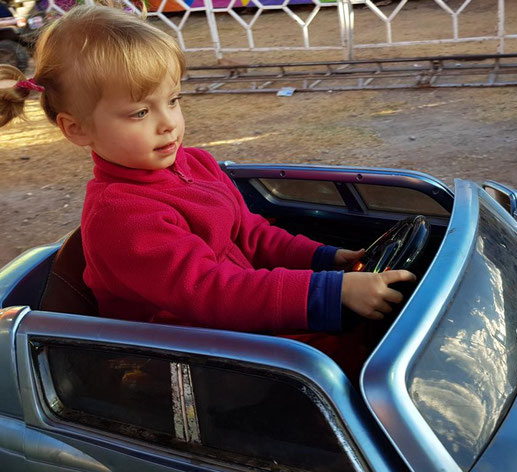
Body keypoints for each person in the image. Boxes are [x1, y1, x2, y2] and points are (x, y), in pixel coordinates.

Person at [0, 4, 415, 372]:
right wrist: (330, 292)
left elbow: (250, 233)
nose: (168, 123)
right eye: (140, 111)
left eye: (174, 100)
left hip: (234, 321)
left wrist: (328, 259)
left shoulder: (193, 163)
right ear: (77, 129)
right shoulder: (122, 217)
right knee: (357, 364)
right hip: (187, 359)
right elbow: (212, 292)